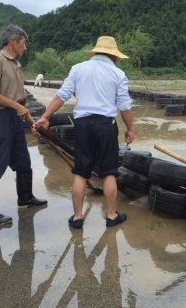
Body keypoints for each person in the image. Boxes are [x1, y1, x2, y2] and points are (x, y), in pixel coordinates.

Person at [35, 36, 134, 228]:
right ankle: (111, 216)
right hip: (105, 126)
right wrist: (130, 128)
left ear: (96, 52)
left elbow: (62, 95)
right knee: (108, 172)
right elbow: (124, 106)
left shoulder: (78, 69)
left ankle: (78, 217)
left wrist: (46, 116)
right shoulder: (118, 74)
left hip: (82, 125)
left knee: (81, 172)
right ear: (114, 56)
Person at [0, 25, 47, 225]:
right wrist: (16, 106)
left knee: (23, 162)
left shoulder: (15, 65)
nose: (25, 48)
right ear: (13, 42)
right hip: (0, 118)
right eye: (24, 43)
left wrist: (31, 122)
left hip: (15, 118)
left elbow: (21, 101)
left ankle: (25, 199)